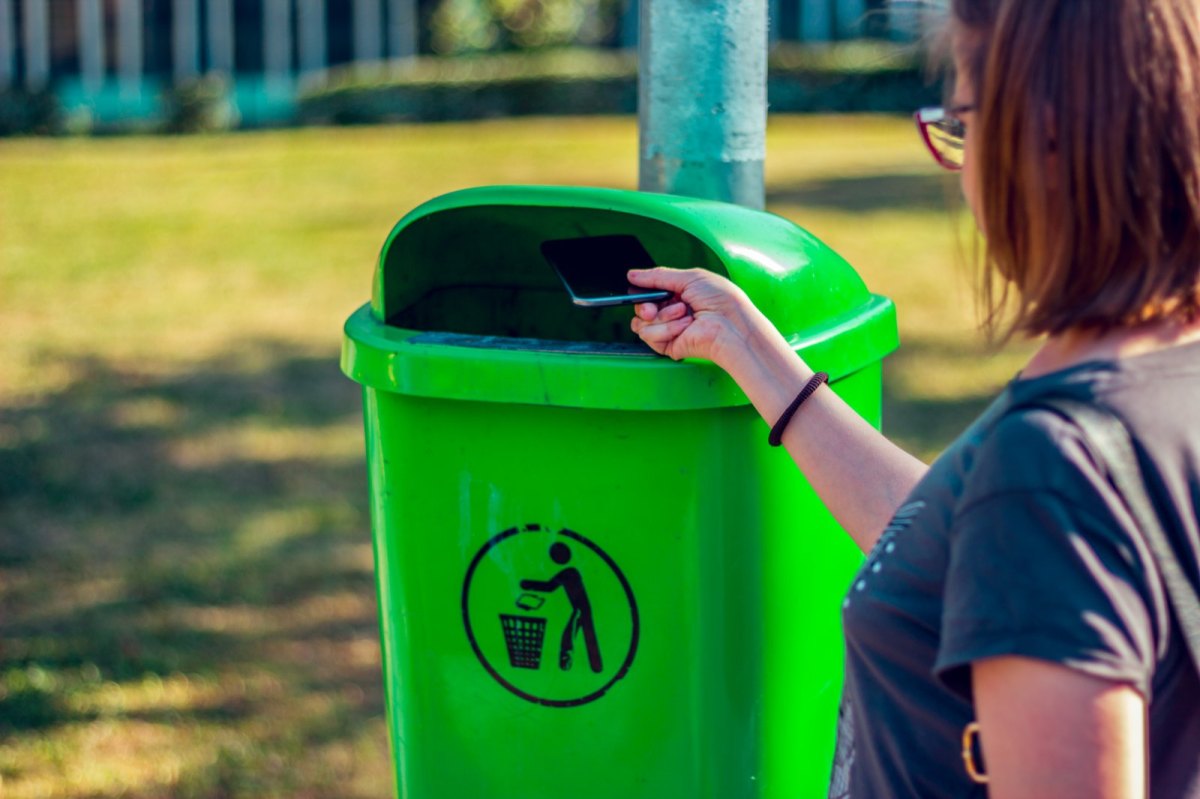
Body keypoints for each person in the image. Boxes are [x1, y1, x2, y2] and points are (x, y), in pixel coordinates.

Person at [626, 0, 1200, 796]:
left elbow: (1031, 522)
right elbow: (960, 545)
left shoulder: (1053, 464)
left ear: (1045, 136)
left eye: (962, 125)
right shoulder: (1158, 371)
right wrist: (749, 350)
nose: (959, 168)